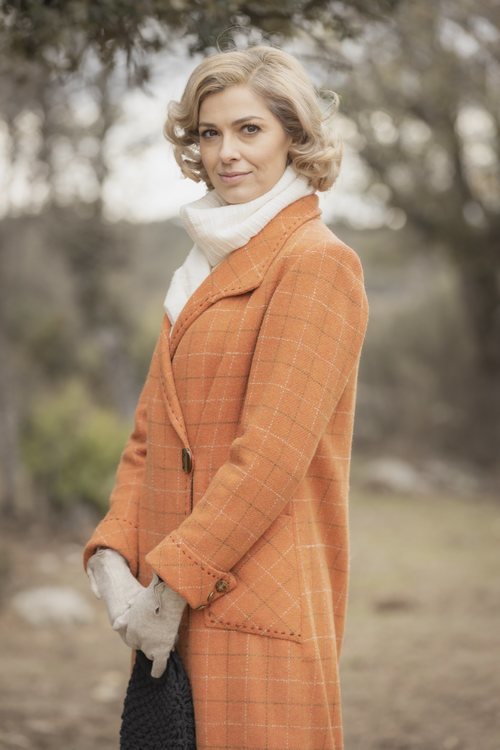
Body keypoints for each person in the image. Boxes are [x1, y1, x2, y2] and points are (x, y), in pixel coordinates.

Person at [83, 44, 369, 750]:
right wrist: (113, 557)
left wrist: (171, 585)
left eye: (249, 129)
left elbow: (269, 458)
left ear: (293, 137)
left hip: (253, 606)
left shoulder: (317, 263)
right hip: (165, 613)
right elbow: (150, 436)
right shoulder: (198, 270)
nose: (226, 153)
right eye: (210, 133)